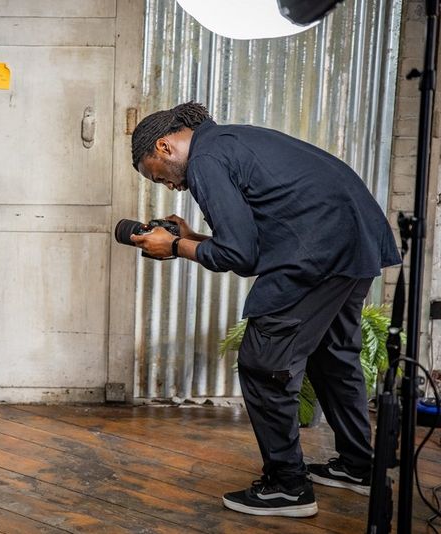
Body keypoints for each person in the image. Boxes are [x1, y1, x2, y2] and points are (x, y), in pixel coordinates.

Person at [129, 102, 401, 518]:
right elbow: (251, 249)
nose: (168, 187)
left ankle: (288, 487)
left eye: (156, 175)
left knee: (263, 362)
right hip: (352, 244)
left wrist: (175, 247)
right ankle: (357, 466)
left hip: (316, 252)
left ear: (164, 146)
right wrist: (191, 236)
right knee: (333, 356)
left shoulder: (205, 161)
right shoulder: (232, 141)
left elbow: (236, 254)